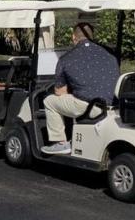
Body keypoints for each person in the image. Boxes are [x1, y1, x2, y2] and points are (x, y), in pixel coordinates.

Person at [40, 22, 119, 155]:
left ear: (73, 37)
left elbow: (60, 92)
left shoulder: (66, 59)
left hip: (89, 107)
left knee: (50, 101)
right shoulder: (110, 55)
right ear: (92, 36)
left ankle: (60, 143)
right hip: (112, 105)